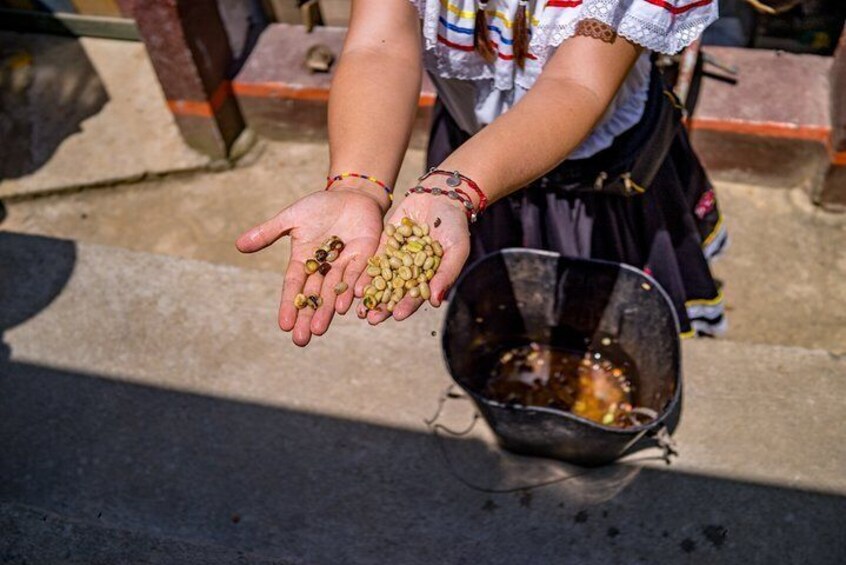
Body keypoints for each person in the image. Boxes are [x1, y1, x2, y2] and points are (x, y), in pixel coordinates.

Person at [236, 0, 727, 347]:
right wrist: (356, 184)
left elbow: (575, 84)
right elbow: (379, 49)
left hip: (600, 176)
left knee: (599, 310)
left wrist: (453, 188)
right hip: (468, 161)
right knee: (508, 304)